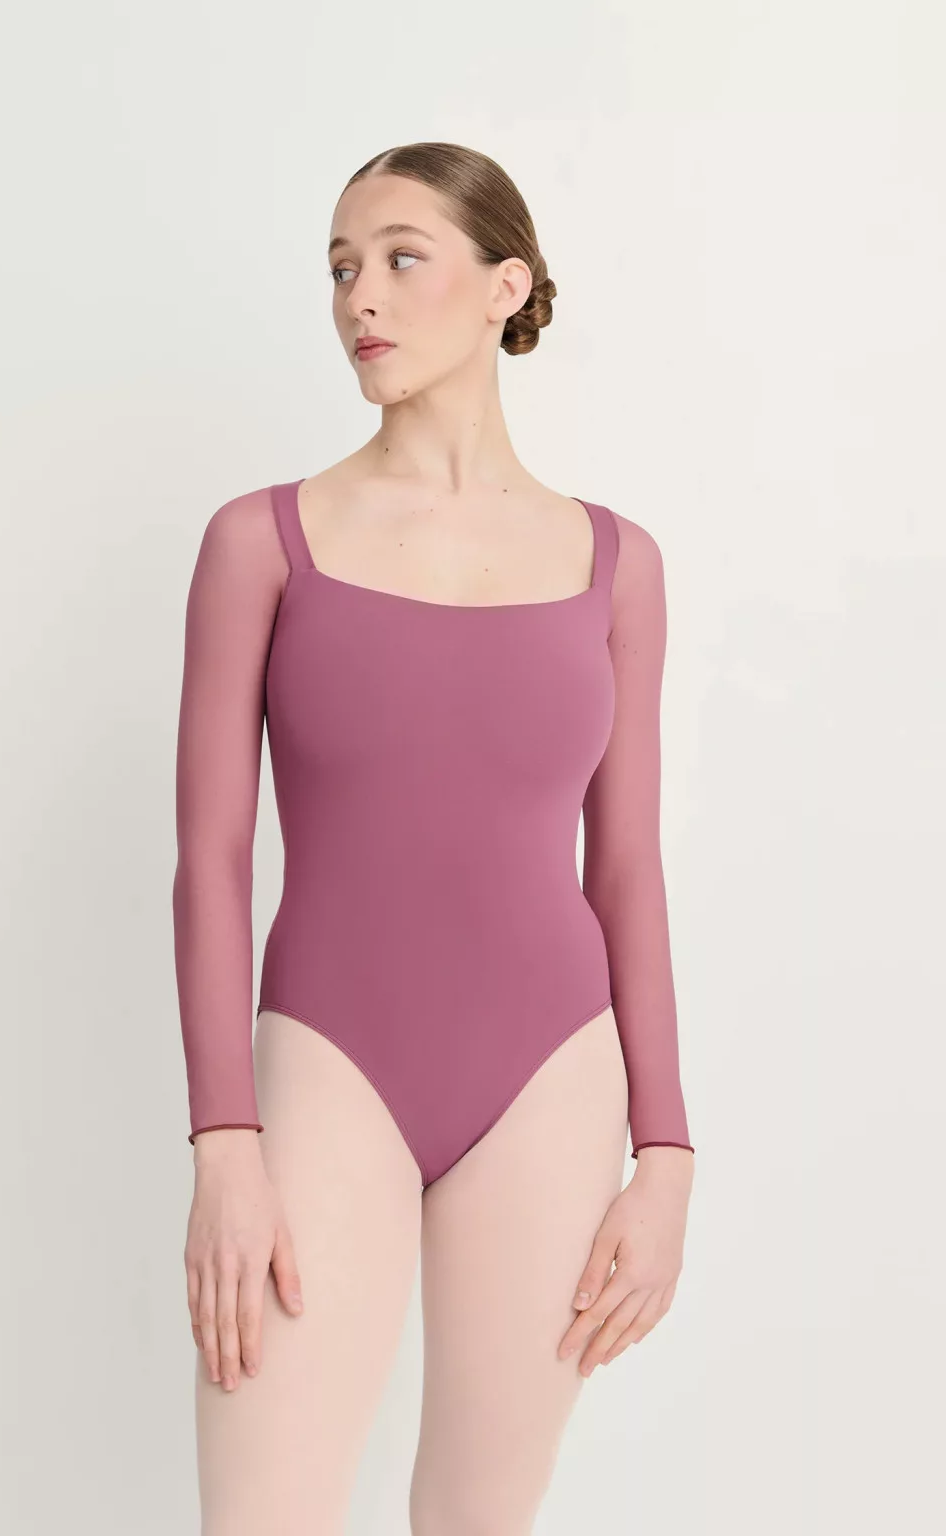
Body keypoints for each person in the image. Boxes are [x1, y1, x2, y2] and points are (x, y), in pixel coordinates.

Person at [172, 140, 695, 1533]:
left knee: (479, 1520)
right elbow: (211, 862)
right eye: (342, 267)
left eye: (403, 258)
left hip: (554, 1075)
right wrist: (225, 1144)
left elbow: (626, 869)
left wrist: (667, 1153)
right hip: (328, 1065)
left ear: (505, 286)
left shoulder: (618, 564)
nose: (361, 296)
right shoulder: (262, 543)